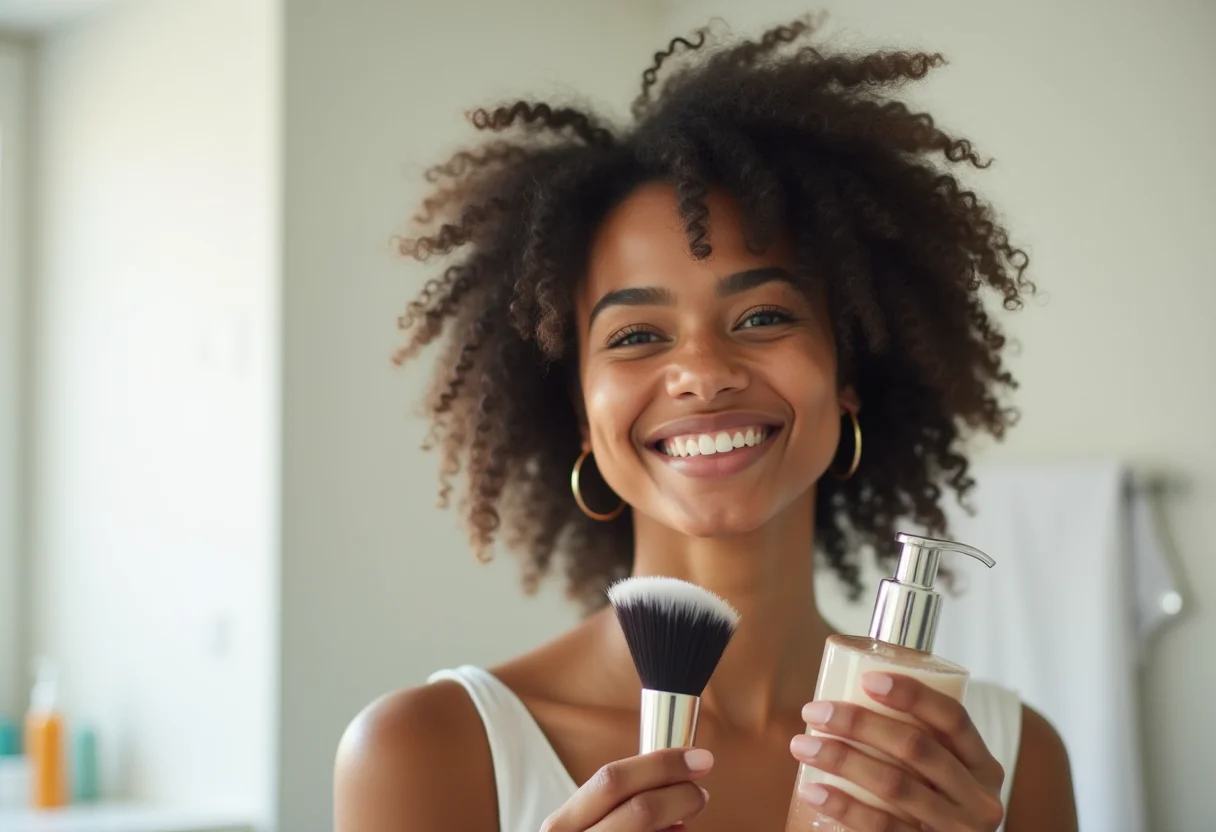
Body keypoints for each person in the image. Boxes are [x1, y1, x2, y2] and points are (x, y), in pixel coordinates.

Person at [334, 16, 1079, 832]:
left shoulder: (1007, 759)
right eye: (636, 336)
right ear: (579, 414)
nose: (703, 372)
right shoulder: (424, 752)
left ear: (848, 377)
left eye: (762, 316)